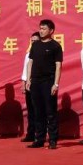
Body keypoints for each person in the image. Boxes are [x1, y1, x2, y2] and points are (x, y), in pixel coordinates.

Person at [25, 19, 63, 149]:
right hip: (35, 81)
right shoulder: (35, 45)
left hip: (48, 81)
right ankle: (39, 139)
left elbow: (58, 66)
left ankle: (52, 140)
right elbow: (30, 63)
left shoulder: (55, 46)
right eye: (40, 28)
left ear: (51, 31)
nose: (41, 31)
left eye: (44, 28)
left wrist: (56, 84)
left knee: (50, 112)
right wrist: (28, 79)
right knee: (38, 111)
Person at [21, 32, 39, 143]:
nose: (33, 43)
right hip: (29, 84)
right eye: (32, 41)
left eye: (35, 41)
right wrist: (23, 83)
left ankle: (39, 134)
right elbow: (25, 70)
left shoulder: (43, 53)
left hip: (39, 84)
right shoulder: (28, 54)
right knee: (31, 110)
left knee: (39, 110)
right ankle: (31, 134)